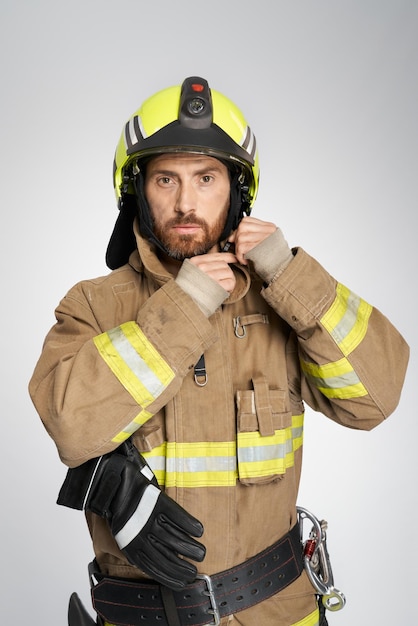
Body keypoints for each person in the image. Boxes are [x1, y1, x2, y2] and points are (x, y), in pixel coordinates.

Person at [29, 76, 409, 626]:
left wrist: (291, 275)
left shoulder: (283, 300)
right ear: (137, 189)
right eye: (166, 179)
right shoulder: (92, 305)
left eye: (206, 178)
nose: (186, 203)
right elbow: (69, 422)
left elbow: (375, 398)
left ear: (238, 191)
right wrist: (185, 305)